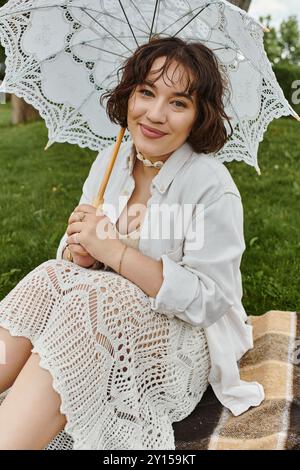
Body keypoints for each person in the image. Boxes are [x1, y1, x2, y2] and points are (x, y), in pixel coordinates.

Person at [0, 37, 264, 450]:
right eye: (146, 92)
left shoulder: (211, 186)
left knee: (98, 298)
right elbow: (74, 259)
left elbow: (209, 300)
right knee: (51, 275)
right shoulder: (110, 163)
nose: (155, 114)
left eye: (179, 102)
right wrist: (79, 252)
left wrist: (116, 254)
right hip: (98, 314)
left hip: (181, 344)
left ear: (199, 116)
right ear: (128, 94)